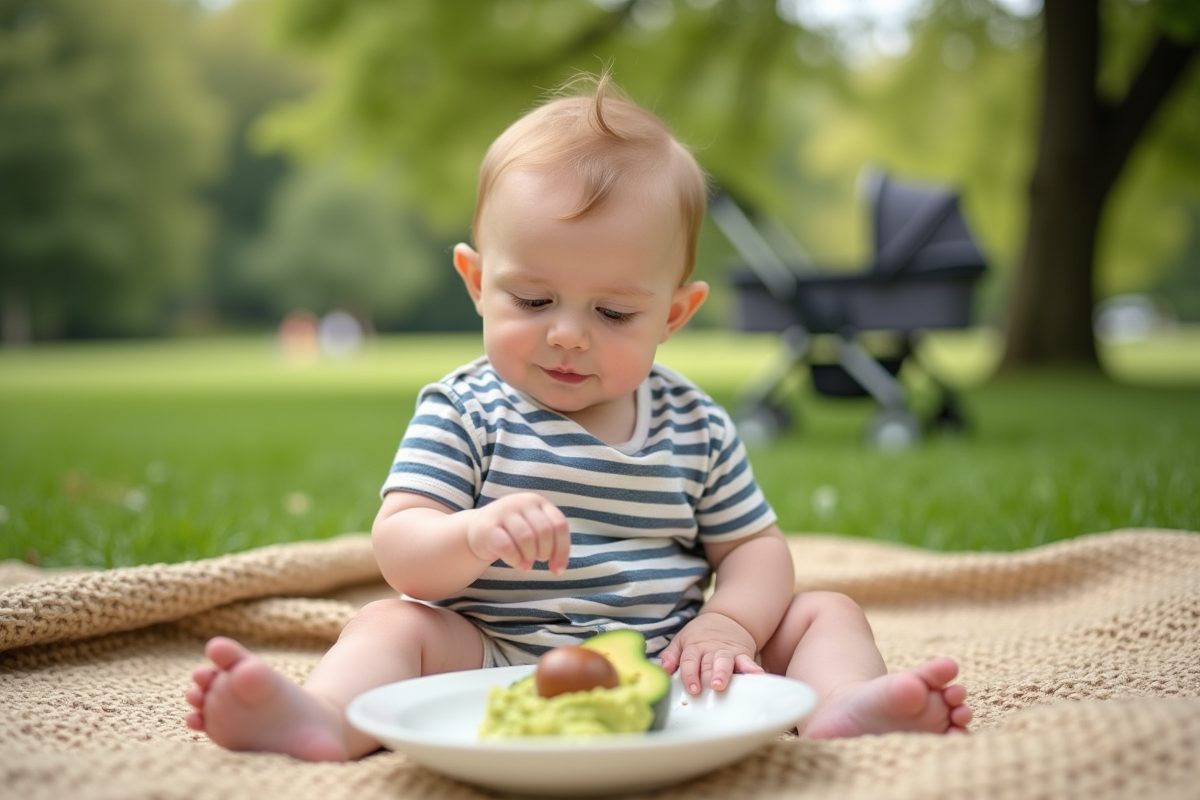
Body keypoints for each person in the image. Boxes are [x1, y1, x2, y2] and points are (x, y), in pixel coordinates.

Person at [185, 72, 971, 761]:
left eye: (614, 311)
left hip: (672, 664)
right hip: (490, 661)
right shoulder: (465, 410)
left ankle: (841, 707)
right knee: (390, 627)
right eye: (532, 300)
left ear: (675, 313)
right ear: (475, 281)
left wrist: (727, 626)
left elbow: (756, 548)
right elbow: (401, 549)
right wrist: (468, 535)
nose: (567, 332)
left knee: (825, 612)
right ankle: (324, 719)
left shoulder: (694, 425)